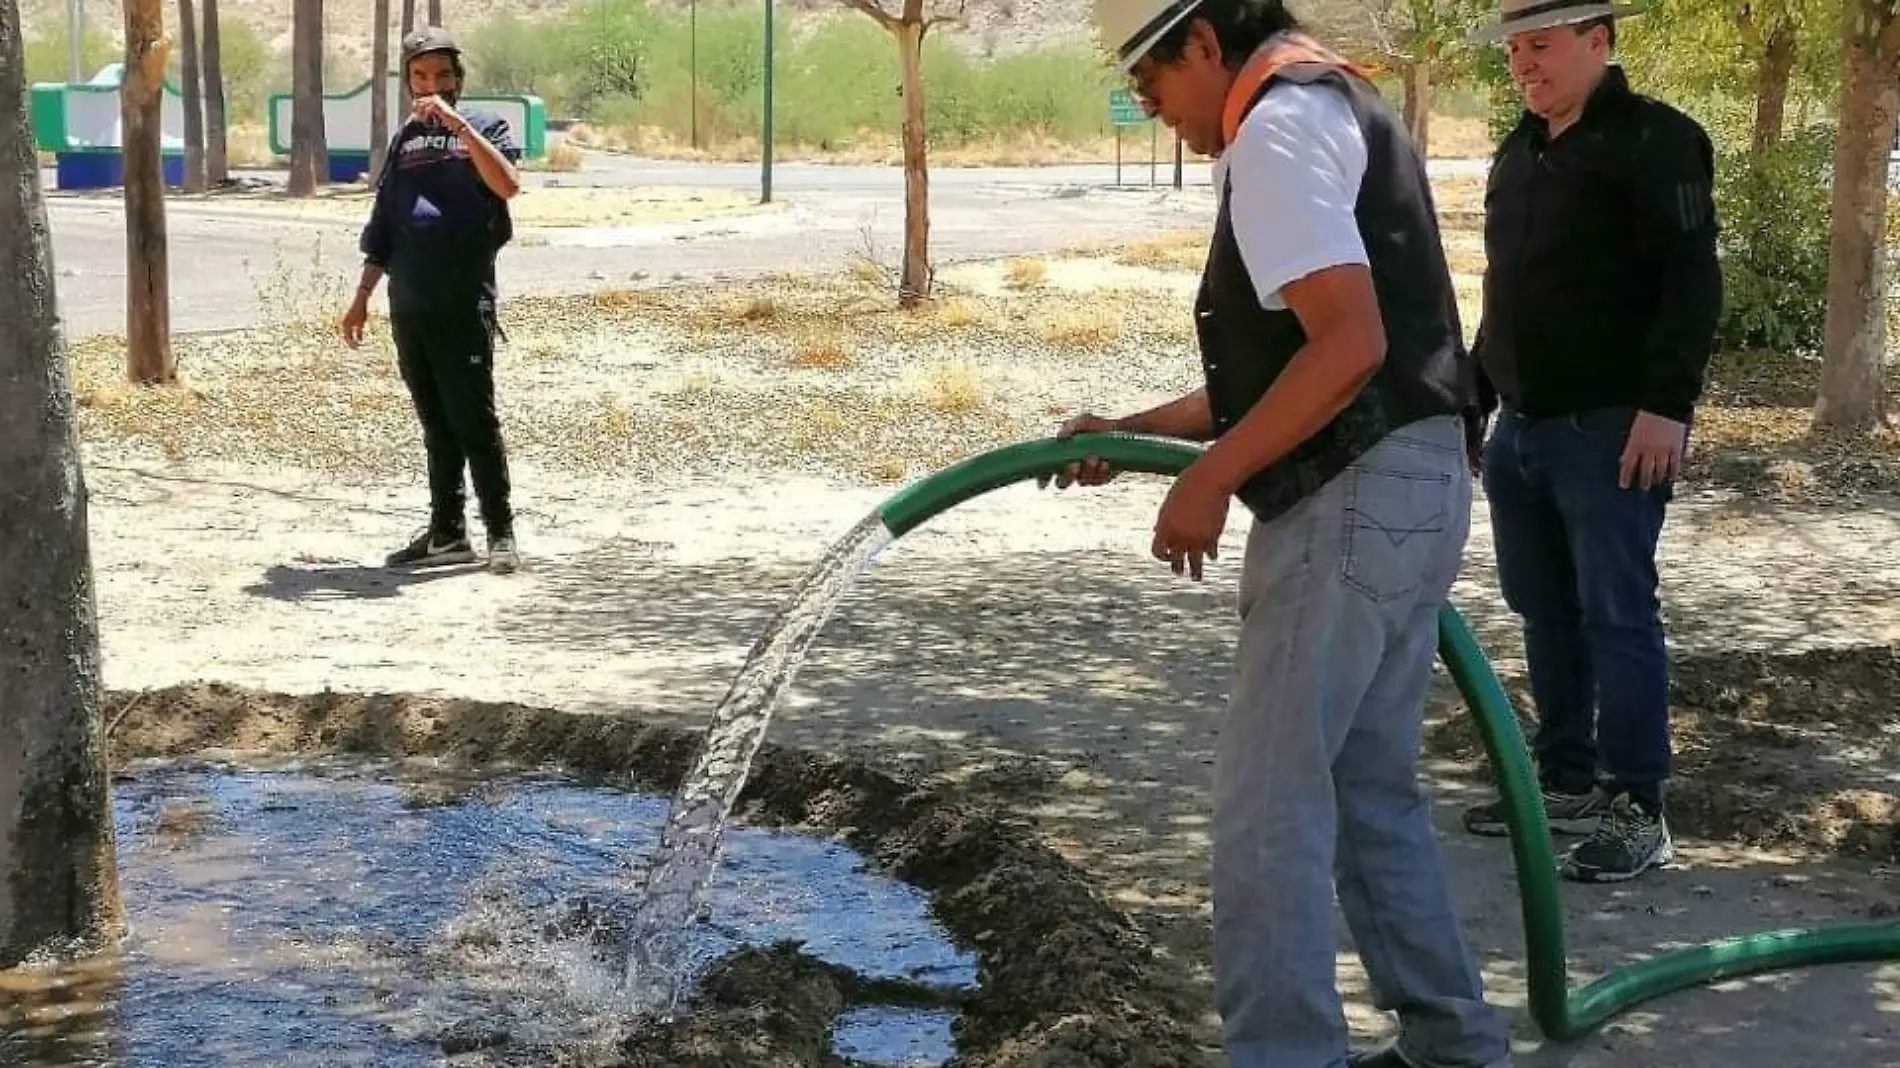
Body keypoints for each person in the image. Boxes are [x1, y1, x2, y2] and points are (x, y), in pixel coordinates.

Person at [1051, 1, 1513, 1065]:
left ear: (1204, 44)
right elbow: (1289, 369)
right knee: (1364, 789)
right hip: (1414, 481)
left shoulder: (1274, 130)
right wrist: (1131, 435)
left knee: (1269, 813)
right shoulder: (1325, 101)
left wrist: (1208, 480)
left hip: (1349, 499)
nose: (1150, 107)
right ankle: (1452, 1043)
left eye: (1153, 81)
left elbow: (1346, 345)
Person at [1458, 0, 1720, 885]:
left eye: (1541, 46)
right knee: (1544, 609)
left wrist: (1666, 407)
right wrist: (1473, 396)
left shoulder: (1657, 141)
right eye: (1514, 52)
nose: (1523, 66)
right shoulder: (1520, 150)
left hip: (1612, 430)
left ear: (1598, 43)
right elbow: (1507, 288)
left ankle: (1637, 804)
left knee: (1617, 613)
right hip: (1522, 431)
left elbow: (1692, 282)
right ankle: (1563, 776)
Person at [342, 25, 524, 575]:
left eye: (442, 75)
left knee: (474, 418)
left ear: (458, 79)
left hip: (462, 299)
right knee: (436, 422)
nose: (432, 86)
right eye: (421, 76)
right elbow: (385, 224)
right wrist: (362, 296)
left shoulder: (485, 127)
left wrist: (461, 127)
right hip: (410, 301)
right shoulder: (404, 142)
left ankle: (500, 531)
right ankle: (447, 532)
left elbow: (508, 185)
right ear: (409, 82)